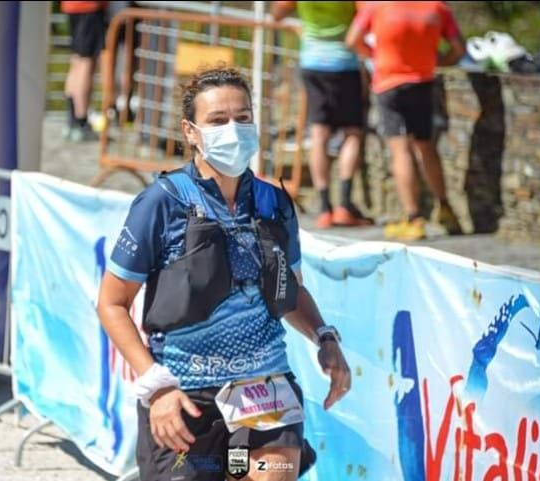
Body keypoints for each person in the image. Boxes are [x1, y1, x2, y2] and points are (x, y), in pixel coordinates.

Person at [96, 67, 351, 481]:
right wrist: (156, 386)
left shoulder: (274, 203)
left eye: (242, 118)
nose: (233, 130)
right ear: (191, 132)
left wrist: (324, 336)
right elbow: (112, 303)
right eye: (217, 121)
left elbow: (291, 291)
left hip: (264, 391)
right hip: (185, 395)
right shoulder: (161, 203)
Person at [347, 1, 465, 241]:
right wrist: (438, 61)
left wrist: (375, 55)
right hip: (423, 82)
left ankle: (413, 218)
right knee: (426, 146)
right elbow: (458, 49)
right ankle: (445, 208)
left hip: (389, 83)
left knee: (400, 150)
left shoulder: (377, 5)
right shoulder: (437, 7)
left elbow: (352, 40)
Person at [272, 1, 373, 229]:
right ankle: (344, 205)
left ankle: (325, 208)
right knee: (352, 133)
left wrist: (298, 24)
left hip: (313, 62)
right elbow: (369, 14)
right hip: (345, 63)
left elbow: (278, 13)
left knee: (319, 134)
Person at [61, 0, 108, 142]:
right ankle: (81, 121)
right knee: (86, 63)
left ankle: (72, 121)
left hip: (72, 7)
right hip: (89, 8)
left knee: (77, 61)